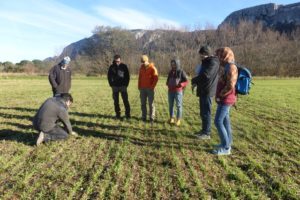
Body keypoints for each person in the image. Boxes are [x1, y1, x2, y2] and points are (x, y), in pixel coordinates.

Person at [213, 47, 238, 155]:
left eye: (219, 55)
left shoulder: (231, 67)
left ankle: (226, 147)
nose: (218, 58)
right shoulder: (226, 66)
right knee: (225, 121)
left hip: (226, 99)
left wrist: (220, 95)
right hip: (225, 98)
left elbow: (230, 86)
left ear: (225, 56)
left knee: (218, 121)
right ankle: (228, 142)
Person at [192, 45, 220, 139]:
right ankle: (203, 130)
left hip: (208, 90)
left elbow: (206, 75)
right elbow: (201, 74)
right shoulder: (205, 62)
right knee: (202, 112)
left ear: (206, 53)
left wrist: (194, 80)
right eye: (200, 54)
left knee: (206, 112)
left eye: (202, 54)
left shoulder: (213, 62)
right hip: (203, 89)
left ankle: (207, 133)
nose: (201, 56)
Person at [107, 54, 131, 119]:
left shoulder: (124, 66)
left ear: (120, 60)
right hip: (115, 87)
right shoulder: (111, 67)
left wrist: (126, 84)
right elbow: (109, 76)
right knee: (116, 102)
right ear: (114, 60)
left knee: (125, 100)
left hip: (123, 86)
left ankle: (128, 115)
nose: (117, 62)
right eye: (116, 61)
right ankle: (118, 115)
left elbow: (127, 76)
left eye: (118, 61)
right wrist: (111, 84)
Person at [166, 59, 188, 126]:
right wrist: (167, 83)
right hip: (170, 91)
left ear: (177, 64)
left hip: (178, 91)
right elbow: (168, 80)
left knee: (178, 106)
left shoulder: (181, 71)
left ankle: (178, 119)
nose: (173, 65)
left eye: (174, 64)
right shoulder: (170, 72)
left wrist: (181, 84)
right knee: (171, 105)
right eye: (172, 64)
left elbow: (186, 81)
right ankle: (172, 118)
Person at [138, 55, 158, 122]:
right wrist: (139, 86)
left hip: (150, 89)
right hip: (142, 89)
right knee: (143, 103)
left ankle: (152, 117)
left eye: (144, 61)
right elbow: (140, 78)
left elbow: (156, 78)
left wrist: (152, 87)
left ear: (147, 60)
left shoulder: (152, 68)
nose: (143, 63)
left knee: (151, 104)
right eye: (142, 61)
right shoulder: (141, 68)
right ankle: (144, 117)